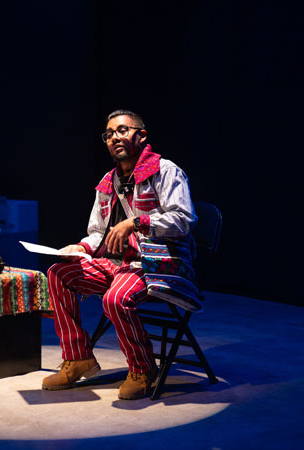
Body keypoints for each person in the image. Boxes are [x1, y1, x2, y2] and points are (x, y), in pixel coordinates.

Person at [42, 109, 197, 400]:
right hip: (119, 265)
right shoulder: (108, 181)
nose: (115, 137)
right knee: (58, 274)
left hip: (157, 263)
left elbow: (184, 219)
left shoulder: (166, 171)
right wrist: (82, 247)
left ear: (141, 135)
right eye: (109, 133)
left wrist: (136, 222)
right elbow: (98, 231)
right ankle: (78, 358)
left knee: (116, 297)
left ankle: (142, 368)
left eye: (122, 130)